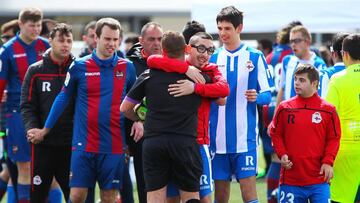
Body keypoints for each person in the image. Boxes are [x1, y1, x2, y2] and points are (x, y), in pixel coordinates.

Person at [27, 18, 140, 203]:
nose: (112, 44)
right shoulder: (79, 66)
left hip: (113, 146)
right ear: (96, 38)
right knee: (77, 196)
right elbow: (62, 98)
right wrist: (45, 129)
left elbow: (136, 100)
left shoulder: (127, 67)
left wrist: (138, 120)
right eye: (107, 39)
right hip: (83, 144)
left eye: (115, 39)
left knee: (109, 198)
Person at [121, 31, 204, 203]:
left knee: (155, 197)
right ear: (187, 49)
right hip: (185, 142)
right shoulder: (197, 76)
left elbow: (125, 108)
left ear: (163, 51)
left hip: (155, 142)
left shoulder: (148, 74)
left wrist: (141, 118)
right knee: (191, 197)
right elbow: (221, 97)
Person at [147, 32, 230, 203]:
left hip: (198, 144)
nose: (205, 54)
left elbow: (224, 91)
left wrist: (195, 88)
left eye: (209, 50)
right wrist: (186, 69)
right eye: (201, 48)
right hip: (175, 142)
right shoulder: (174, 65)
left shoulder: (211, 70)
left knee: (204, 199)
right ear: (188, 49)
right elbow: (152, 60)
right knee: (171, 199)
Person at [208, 6, 273, 203]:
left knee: (249, 195)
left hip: (245, 139)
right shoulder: (213, 57)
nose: (222, 33)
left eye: (227, 28)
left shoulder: (254, 56)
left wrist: (257, 97)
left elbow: (267, 95)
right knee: (220, 197)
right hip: (217, 140)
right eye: (219, 28)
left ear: (239, 28)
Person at [270, 63, 341, 202]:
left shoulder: (328, 110)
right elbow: (275, 133)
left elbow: (334, 138)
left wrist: (328, 162)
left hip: (319, 179)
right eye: (295, 79)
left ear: (314, 84)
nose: (296, 83)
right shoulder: (284, 107)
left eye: (302, 80)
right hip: (290, 179)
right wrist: (282, 153)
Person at [0, 7, 50, 202]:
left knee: (48, 169)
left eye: (39, 25)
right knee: (24, 166)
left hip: (45, 113)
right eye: (32, 25)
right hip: (17, 113)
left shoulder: (46, 46)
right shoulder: (7, 50)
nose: (36, 29)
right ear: (21, 25)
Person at [20, 23, 74, 203]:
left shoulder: (78, 69)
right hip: (43, 144)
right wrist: (33, 129)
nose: (65, 45)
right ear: (50, 40)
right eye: (61, 40)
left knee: (75, 196)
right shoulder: (36, 70)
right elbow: (27, 106)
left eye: (69, 41)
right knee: (38, 196)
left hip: (71, 145)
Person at [125, 21, 163, 203]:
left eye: (160, 39)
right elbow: (123, 102)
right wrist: (136, 120)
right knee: (146, 187)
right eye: (151, 39)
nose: (156, 43)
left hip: (169, 134)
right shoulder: (130, 65)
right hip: (141, 137)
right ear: (141, 40)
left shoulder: (172, 62)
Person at [325, 33, 360, 203]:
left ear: (344, 54)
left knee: (341, 200)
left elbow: (328, 118)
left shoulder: (337, 80)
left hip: (345, 150)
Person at [276, 25, 326, 105]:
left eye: (297, 41)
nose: (293, 44)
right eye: (291, 41)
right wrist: (276, 115)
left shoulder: (319, 64)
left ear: (308, 41)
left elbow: (321, 95)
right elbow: (281, 89)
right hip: (289, 114)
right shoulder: (287, 61)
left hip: (307, 113)